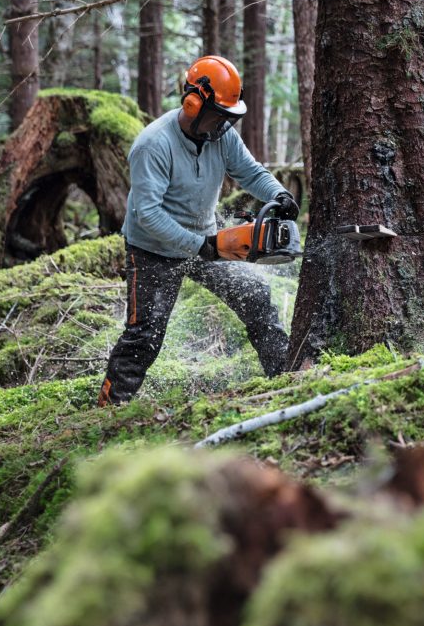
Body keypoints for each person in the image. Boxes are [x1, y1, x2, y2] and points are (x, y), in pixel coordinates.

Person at [97, 55, 298, 407]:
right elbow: (147, 215)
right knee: (145, 335)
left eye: (228, 116)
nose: (224, 124)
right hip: (152, 249)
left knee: (255, 299)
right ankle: (109, 407)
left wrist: (278, 194)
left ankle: (286, 379)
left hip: (206, 241)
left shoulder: (221, 135)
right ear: (193, 102)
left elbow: (250, 172)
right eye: (219, 114)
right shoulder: (153, 145)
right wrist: (201, 246)